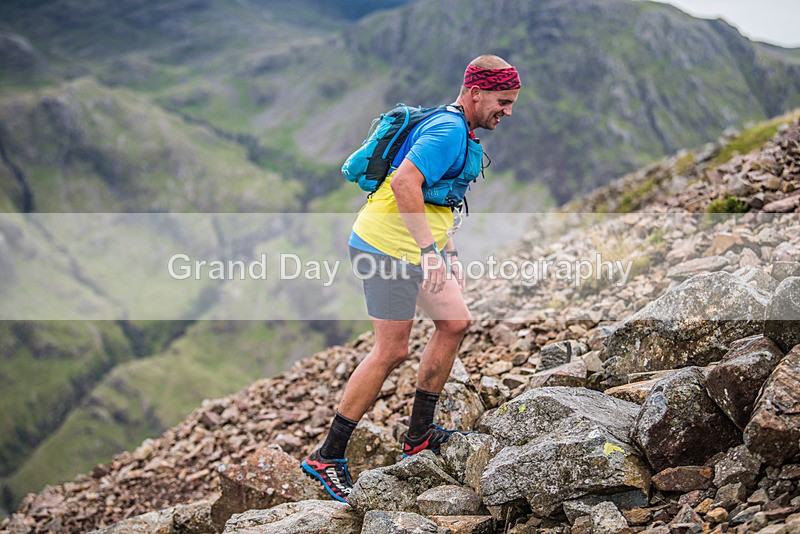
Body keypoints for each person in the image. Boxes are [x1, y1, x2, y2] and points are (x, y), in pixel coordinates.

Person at [301, 54, 520, 503]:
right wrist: (428, 253)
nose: (508, 111)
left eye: (512, 102)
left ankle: (419, 435)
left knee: (455, 323)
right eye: (503, 101)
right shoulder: (447, 130)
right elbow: (405, 184)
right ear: (476, 92)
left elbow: (438, 198)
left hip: (412, 247)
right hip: (385, 247)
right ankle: (328, 456)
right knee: (391, 350)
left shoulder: (459, 127)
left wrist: (446, 250)